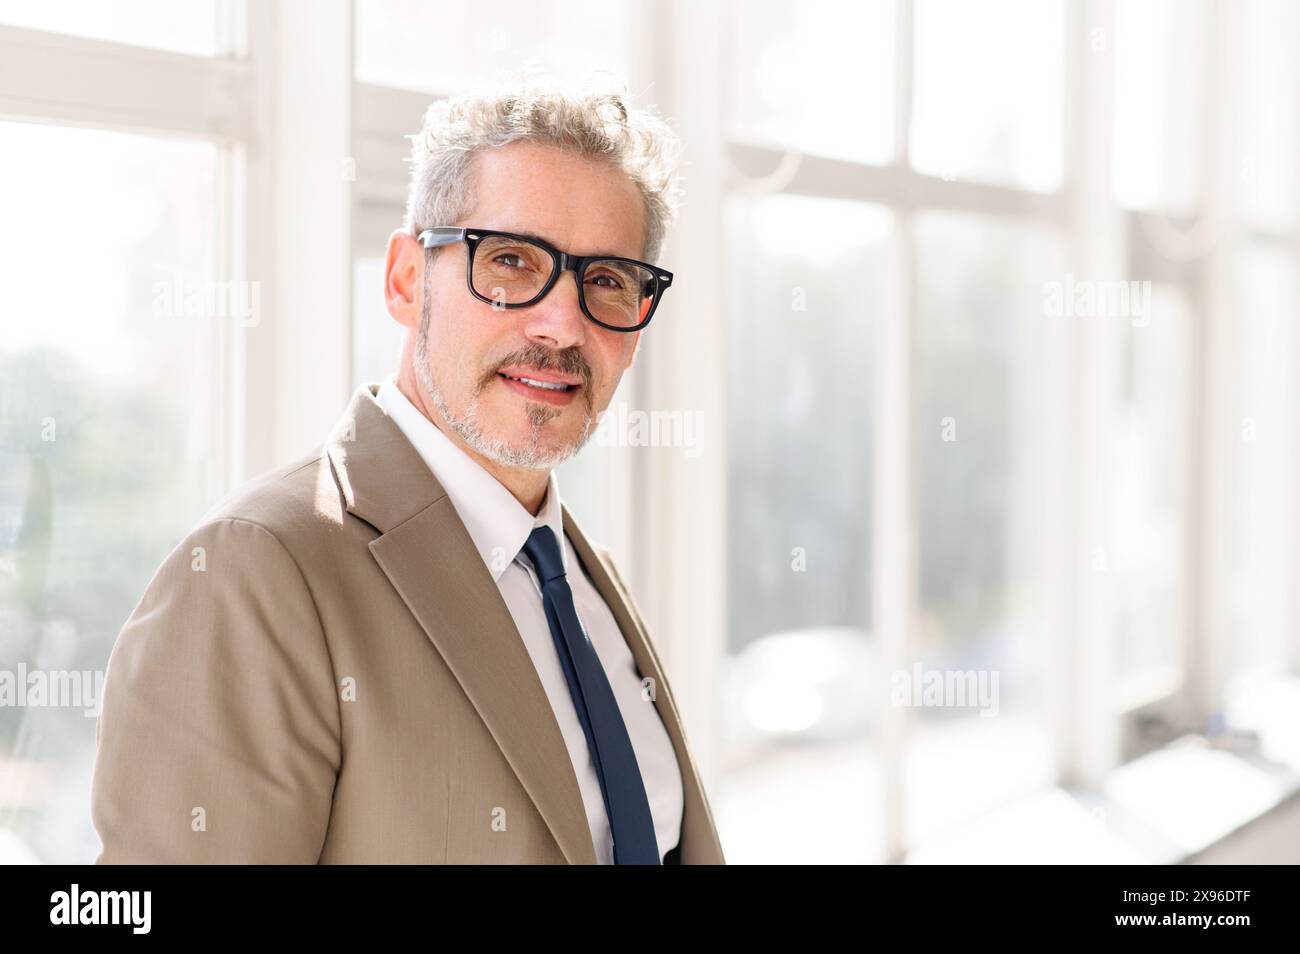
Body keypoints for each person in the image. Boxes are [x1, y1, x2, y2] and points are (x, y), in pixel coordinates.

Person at [90, 70, 725, 865]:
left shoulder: (574, 574)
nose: (562, 324)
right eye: (511, 262)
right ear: (404, 279)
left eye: (605, 280)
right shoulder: (255, 572)